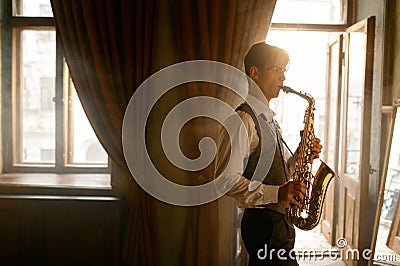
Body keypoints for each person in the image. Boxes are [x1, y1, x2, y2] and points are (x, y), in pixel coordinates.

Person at [214, 42, 322, 265]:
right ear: (255, 73)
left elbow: (277, 172)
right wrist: (278, 194)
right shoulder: (243, 120)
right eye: (276, 70)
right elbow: (224, 180)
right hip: (264, 225)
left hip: (277, 224)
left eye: (284, 71)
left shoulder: (268, 118)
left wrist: (302, 154)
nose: (283, 78)